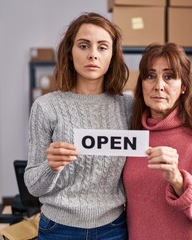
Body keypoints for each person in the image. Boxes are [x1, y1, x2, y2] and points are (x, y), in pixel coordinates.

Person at [24, 12, 133, 240]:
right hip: (58, 229)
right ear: (70, 52)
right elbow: (33, 186)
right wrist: (51, 166)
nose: (93, 54)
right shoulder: (45, 107)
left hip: (113, 228)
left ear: (112, 56)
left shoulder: (128, 106)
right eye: (84, 46)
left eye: (102, 47)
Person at [123, 42, 192, 240]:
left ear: (183, 86)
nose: (158, 85)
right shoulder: (132, 135)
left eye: (169, 76)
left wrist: (179, 181)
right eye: (150, 76)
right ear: (142, 84)